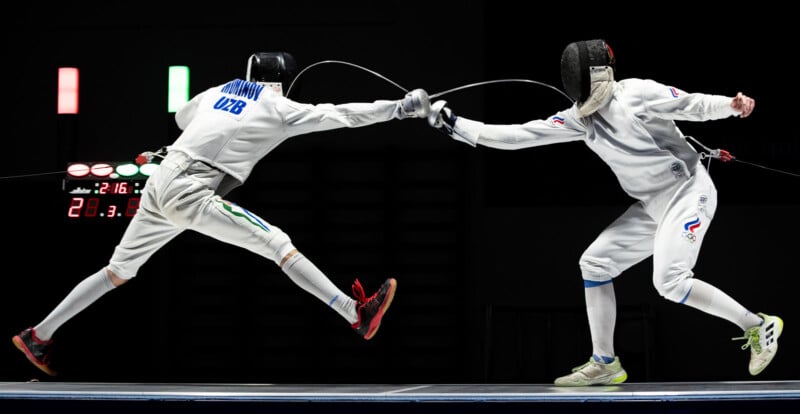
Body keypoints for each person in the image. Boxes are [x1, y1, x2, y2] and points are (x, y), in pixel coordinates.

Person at [12, 51, 432, 376]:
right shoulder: (279, 109)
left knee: (118, 271)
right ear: (284, 81)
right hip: (191, 188)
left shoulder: (218, 91)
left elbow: (181, 117)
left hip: (162, 180)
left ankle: (39, 335)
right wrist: (401, 107)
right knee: (275, 242)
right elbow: (341, 114)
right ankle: (353, 314)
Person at [427, 39, 783, 386]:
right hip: (652, 206)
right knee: (595, 263)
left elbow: (690, 105)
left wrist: (730, 106)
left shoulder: (636, 93)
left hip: (689, 192)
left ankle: (756, 325)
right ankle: (605, 363)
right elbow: (518, 135)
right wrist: (456, 125)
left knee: (670, 281)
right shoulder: (580, 119)